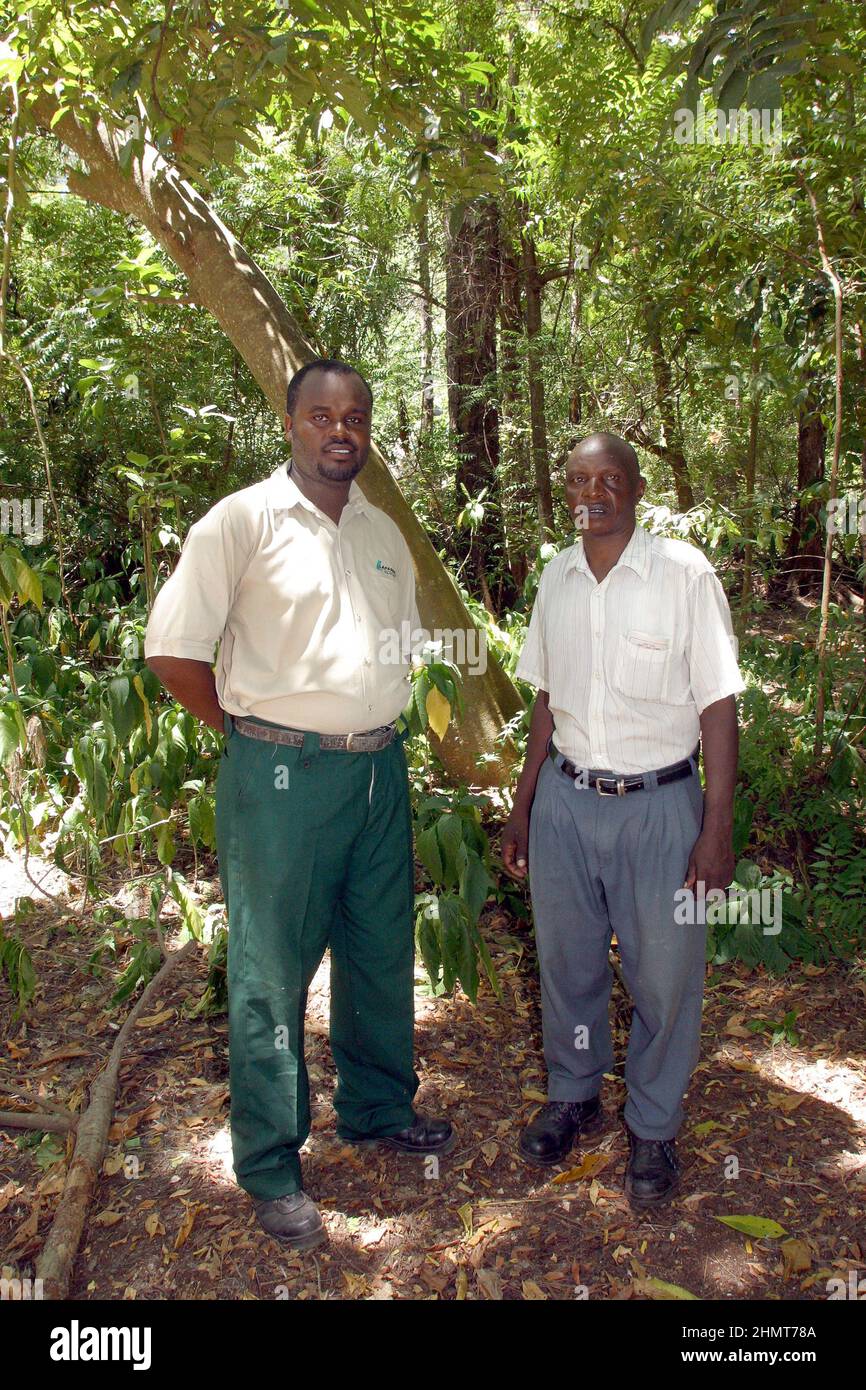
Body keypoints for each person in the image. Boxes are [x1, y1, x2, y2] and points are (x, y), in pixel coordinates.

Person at [145, 358, 455, 1250]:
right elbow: (172, 651)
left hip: (377, 773)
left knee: (379, 948)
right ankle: (274, 1163)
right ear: (291, 424)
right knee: (271, 974)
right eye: (321, 415)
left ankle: (378, 1107)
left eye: (354, 416)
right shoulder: (240, 522)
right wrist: (250, 733)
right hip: (280, 778)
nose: (340, 429)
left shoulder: (381, 530)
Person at [501, 432, 744, 1208]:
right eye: (579, 480)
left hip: (661, 809)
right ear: (564, 491)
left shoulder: (683, 575)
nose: (593, 493)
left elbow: (718, 703)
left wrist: (716, 827)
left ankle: (653, 1126)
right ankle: (575, 1093)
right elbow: (546, 701)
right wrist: (523, 802)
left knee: (665, 978)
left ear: (637, 489)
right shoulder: (557, 578)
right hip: (567, 804)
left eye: (610, 479)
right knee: (567, 967)